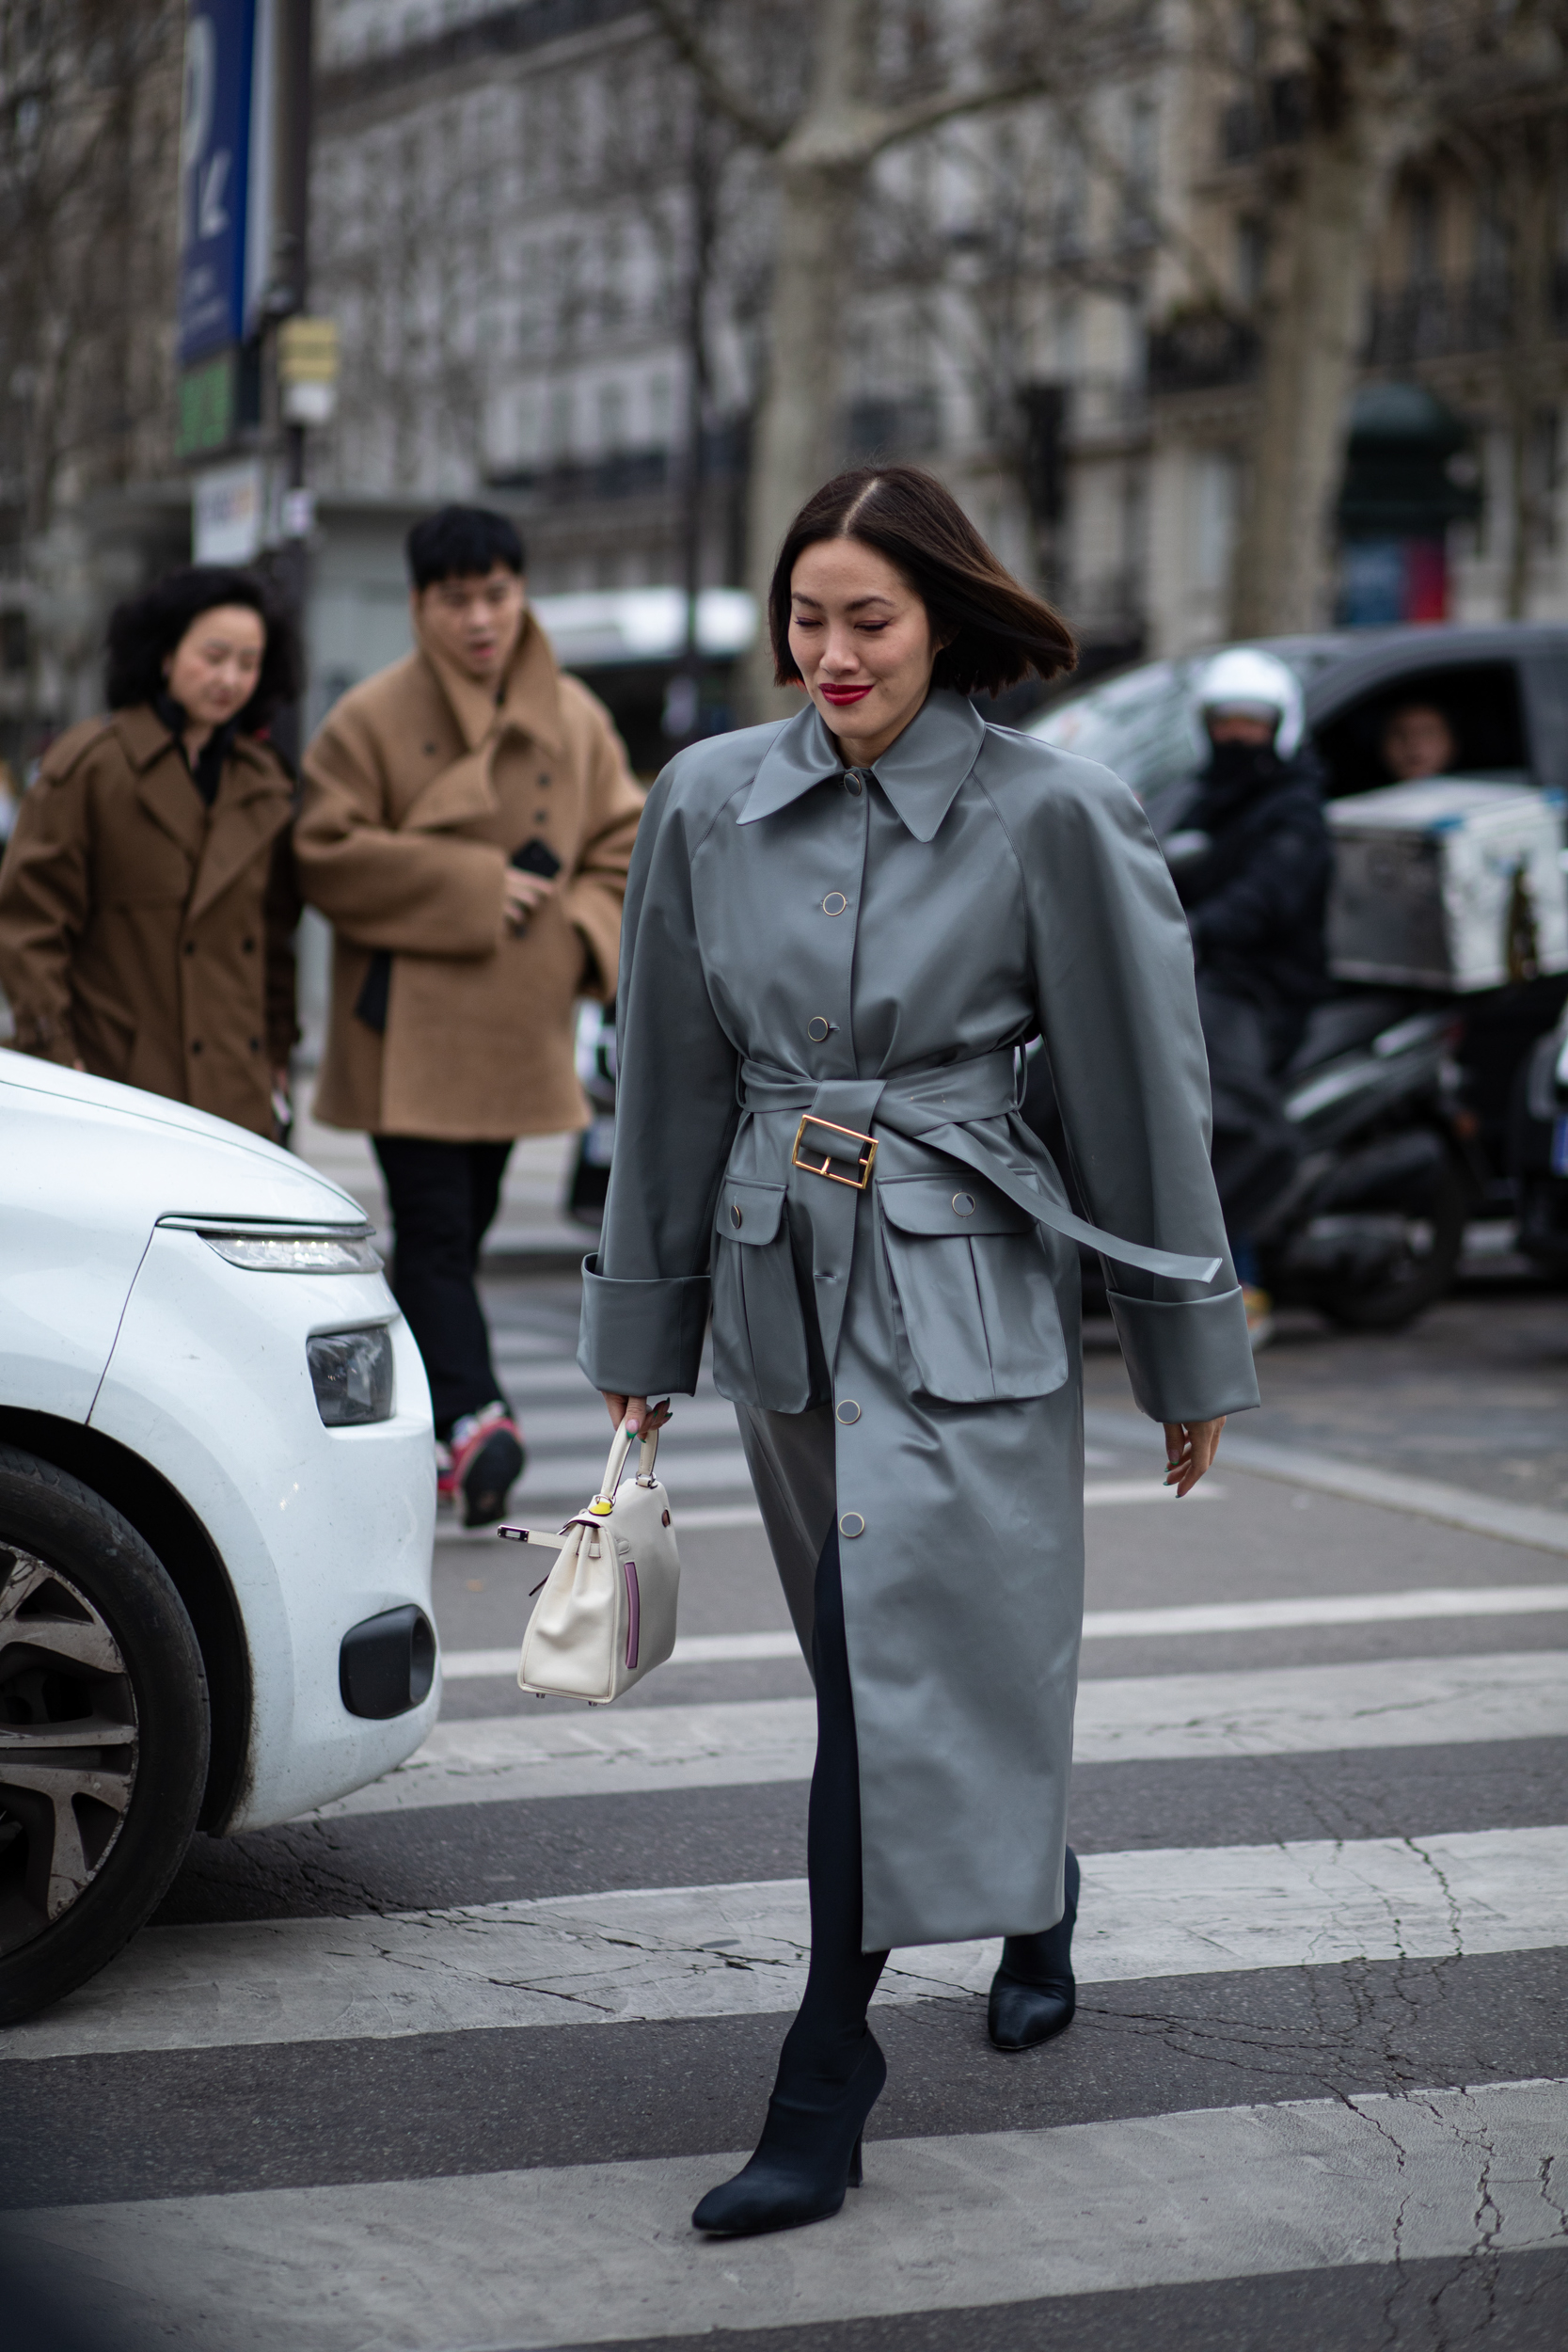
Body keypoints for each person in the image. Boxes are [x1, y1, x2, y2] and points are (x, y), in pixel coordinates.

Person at [580, 467, 1259, 2239]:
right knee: (861, 1669)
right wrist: (640, 1330)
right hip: (774, 1298)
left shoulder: (1058, 813)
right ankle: (1029, 1886)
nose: (830, 654)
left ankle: (823, 2078)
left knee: (892, 1690)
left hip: (963, 1303)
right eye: (805, 619)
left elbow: (1135, 1094)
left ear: (943, 618)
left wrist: (1185, 1351)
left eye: (866, 620)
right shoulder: (704, 802)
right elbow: (668, 1082)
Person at [294, 505, 642, 1527]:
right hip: (411, 1029)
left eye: (497, 593)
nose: (481, 618)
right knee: (438, 1231)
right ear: (419, 606)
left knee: (456, 1233)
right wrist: (471, 886)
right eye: (457, 599)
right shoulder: (370, 717)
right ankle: (478, 1417)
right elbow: (324, 851)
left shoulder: (571, 716)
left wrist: (573, 936)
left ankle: (401, 1414)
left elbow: (623, 845)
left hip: (515, 1020)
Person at [0, 567, 301, 1136]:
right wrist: (54, 1057)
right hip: (115, 1083)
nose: (230, 678)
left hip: (236, 1092)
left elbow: (273, 939)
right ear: (165, 654)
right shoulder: (90, 765)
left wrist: (277, 1057)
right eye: (213, 656)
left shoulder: (266, 784)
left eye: (247, 662)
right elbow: (29, 926)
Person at [1170, 647, 1333, 1349]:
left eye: (1251, 723)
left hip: (1259, 989)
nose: (1237, 736)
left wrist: (1197, 931)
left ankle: (1242, 1283)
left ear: (1280, 727)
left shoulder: (1293, 812)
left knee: (1224, 1120)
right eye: (1224, 722)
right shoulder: (1198, 796)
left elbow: (1264, 898)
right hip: (1198, 970)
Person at [1382, 699, 1457, 783]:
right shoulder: (1372, 795)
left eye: (1427, 733)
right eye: (1399, 734)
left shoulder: (1470, 792)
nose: (1412, 743)